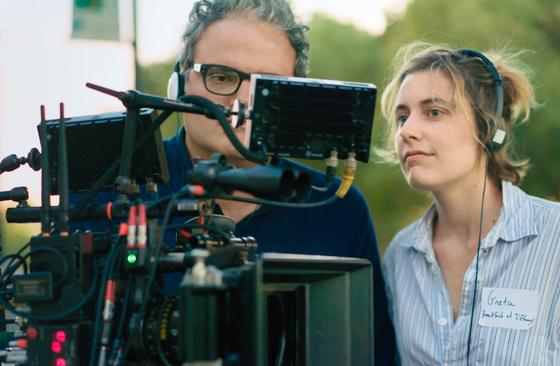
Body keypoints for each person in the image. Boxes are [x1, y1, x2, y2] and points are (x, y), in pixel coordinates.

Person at [73, 0, 396, 364]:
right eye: (222, 77)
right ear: (179, 80)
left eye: (266, 84)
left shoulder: (336, 207)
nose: (243, 102)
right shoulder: (102, 193)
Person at [379, 41, 560, 365]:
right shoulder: (400, 257)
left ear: (487, 128)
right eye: (402, 117)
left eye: (434, 112)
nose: (407, 131)